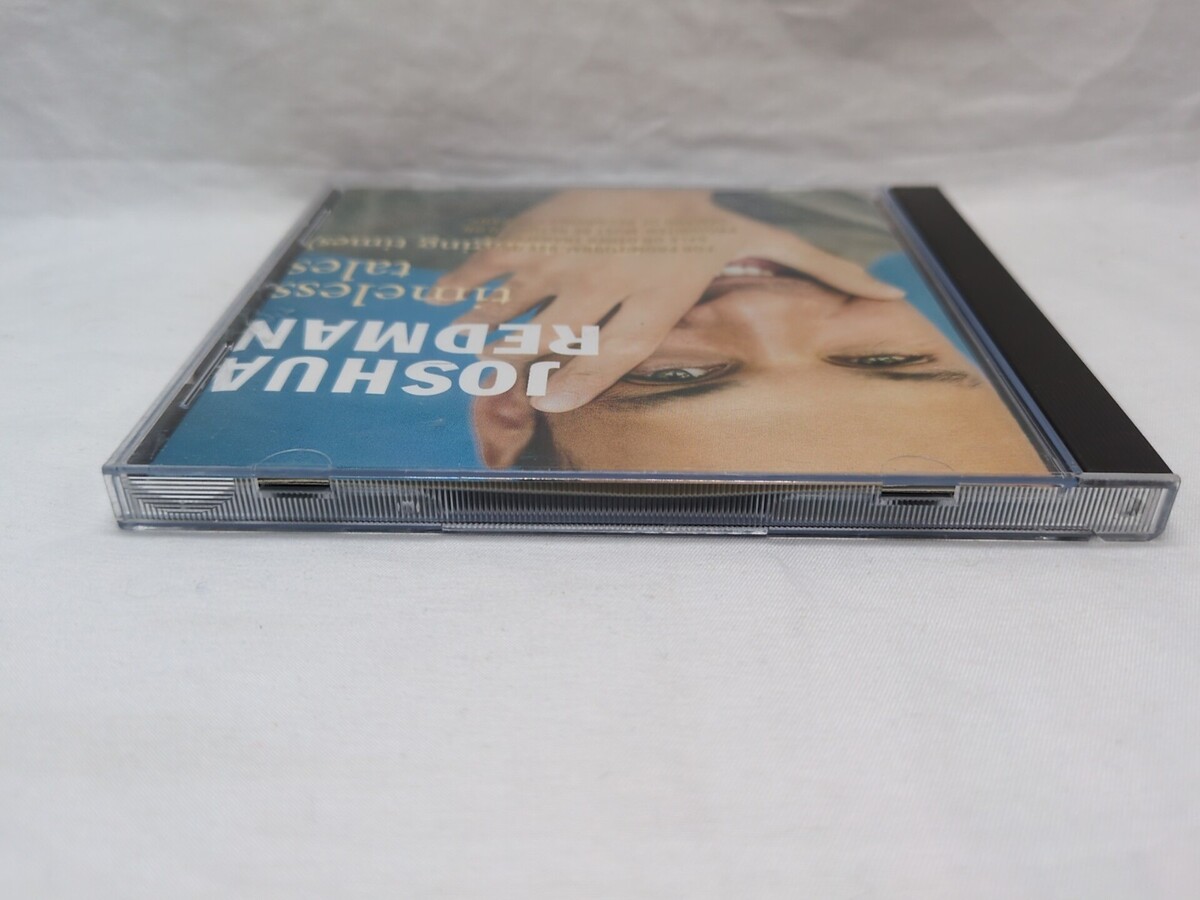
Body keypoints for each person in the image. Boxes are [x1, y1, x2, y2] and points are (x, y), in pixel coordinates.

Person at [430, 189, 1047, 476]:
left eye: (675, 374)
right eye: (885, 359)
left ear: (512, 405)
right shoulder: (898, 216)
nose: (759, 310)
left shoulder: (408, 230)